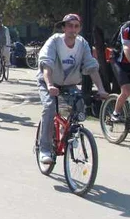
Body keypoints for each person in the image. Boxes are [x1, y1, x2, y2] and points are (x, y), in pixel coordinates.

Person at [36, 14, 108, 164]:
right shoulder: (55, 41)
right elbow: (47, 66)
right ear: (63, 27)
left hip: (68, 83)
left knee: (79, 104)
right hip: (48, 81)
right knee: (50, 107)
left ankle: (67, 132)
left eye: (76, 26)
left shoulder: (82, 44)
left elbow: (92, 67)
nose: (73, 29)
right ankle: (45, 148)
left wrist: (101, 89)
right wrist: (49, 85)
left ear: (80, 28)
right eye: (69, 25)